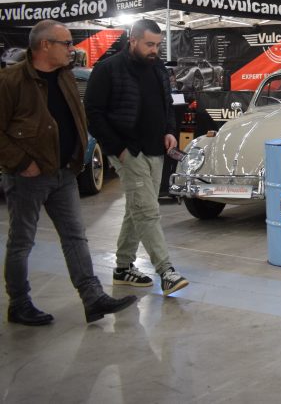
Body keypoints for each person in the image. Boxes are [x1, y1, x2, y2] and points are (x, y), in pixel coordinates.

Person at [0, 19, 137, 325]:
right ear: (44, 45)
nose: (71, 49)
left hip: (64, 173)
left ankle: (92, 297)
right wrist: (22, 163)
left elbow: (76, 117)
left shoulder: (65, 77)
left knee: (76, 237)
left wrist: (77, 157)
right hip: (27, 177)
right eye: (65, 43)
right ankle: (18, 304)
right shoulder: (10, 81)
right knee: (21, 242)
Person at [84, 19, 189, 296]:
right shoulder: (108, 69)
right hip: (128, 151)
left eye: (157, 45)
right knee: (147, 210)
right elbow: (93, 112)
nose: (154, 50)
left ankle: (122, 268)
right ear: (132, 40)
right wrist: (118, 148)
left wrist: (170, 130)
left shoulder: (157, 67)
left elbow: (167, 104)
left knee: (138, 207)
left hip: (156, 148)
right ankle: (166, 271)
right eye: (149, 44)